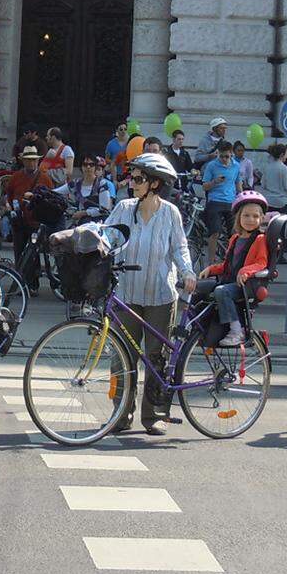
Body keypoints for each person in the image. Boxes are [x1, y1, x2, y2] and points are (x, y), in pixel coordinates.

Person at [103, 154, 197, 435]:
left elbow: (180, 248)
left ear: (155, 184)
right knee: (121, 358)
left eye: (139, 178)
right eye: (131, 177)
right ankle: (120, 414)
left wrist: (187, 272)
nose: (132, 182)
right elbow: (107, 236)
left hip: (160, 296)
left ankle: (154, 415)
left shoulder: (170, 213)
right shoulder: (123, 207)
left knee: (157, 358)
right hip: (127, 293)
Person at [199, 191, 269, 347]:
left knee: (221, 291)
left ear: (261, 218)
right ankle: (201, 328)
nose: (251, 220)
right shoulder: (235, 238)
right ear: (238, 217)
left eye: (255, 216)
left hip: (245, 285)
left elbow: (261, 263)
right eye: (246, 216)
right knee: (199, 287)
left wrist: (246, 271)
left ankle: (237, 330)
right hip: (230, 280)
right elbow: (227, 265)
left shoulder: (260, 239)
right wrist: (210, 269)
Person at [2, 145, 54, 274]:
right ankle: (20, 280)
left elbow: (51, 198)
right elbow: (8, 195)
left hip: (36, 221)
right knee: (19, 251)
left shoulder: (45, 178)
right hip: (19, 220)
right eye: (28, 160)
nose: (31, 162)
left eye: (33, 160)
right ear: (23, 161)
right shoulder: (16, 177)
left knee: (34, 253)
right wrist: (9, 207)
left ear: (37, 161)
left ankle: (33, 284)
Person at [201, 141, 242, 262]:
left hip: (231, 201)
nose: (224, 159)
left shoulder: (236, 165)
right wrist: (215, 182)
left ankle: (232, 259)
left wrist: (242, 197)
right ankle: (211, 262)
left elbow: (238, 183)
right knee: (215, 233)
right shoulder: (212, 166)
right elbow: (204, 186)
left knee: (235, 233)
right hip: (215, 201)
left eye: (227, 156)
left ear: (231, 154)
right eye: (221, 156)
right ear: (218, 154)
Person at [57, 154, 113, 222]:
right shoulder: (75, 183)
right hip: (80, 225)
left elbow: (105, 209)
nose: (88, 167)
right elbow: (56, 192)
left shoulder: (101, 184)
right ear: (81, 167)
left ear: (95, 167)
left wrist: (84, 213)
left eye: (91, 164)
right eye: (85, 164)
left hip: (98, 225)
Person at [261, 143, 287, 213]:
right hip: (281, 202)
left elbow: (263, 184)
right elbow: (286, 186)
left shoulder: (267, 167)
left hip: (268, 201)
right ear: (282, 155)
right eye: (286, 154)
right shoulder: (284, 168)